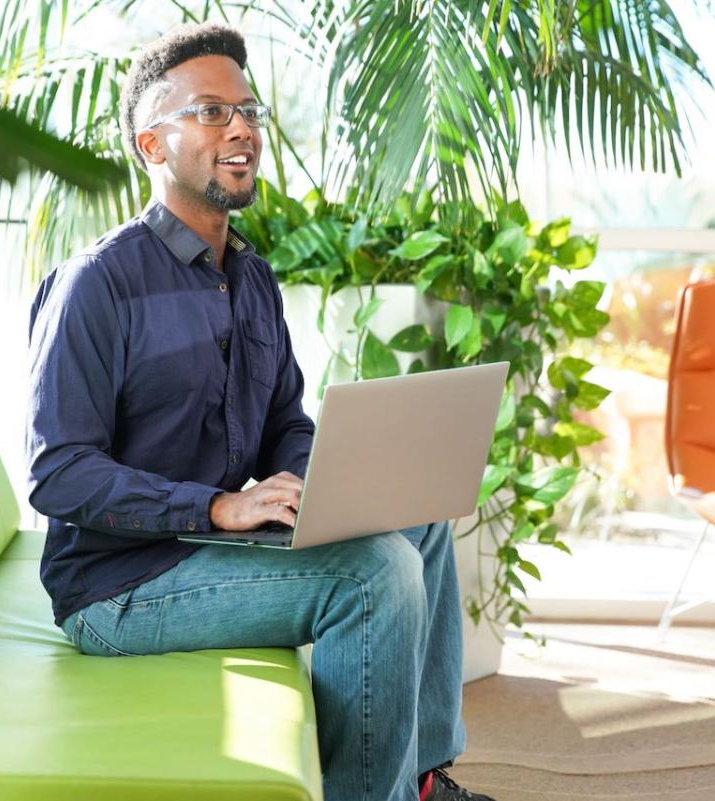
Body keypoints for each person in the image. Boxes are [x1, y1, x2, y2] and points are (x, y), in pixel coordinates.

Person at [25, 21, 496, 801]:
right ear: (152, 144)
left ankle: (419, 780)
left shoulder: (252, 278)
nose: (241, 127)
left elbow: (286, 420)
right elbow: (58, 473)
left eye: (249, 111)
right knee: (373, 575)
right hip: (118, 585)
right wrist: (218, 504)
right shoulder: (95, 284)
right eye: (212, 112)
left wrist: (319, 487)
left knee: (420, 522)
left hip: (206, 546)